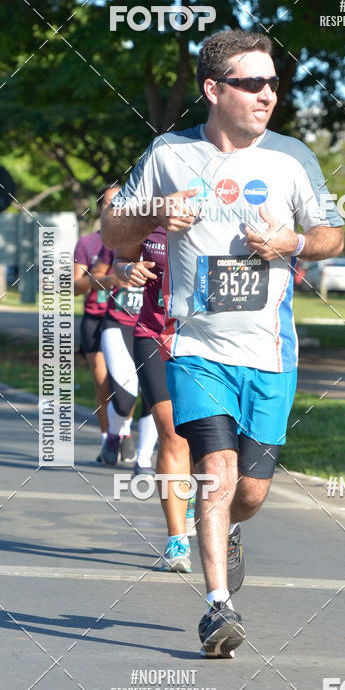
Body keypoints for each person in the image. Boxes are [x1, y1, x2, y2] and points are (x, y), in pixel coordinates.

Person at [102, 28, 344, 658]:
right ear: (213, 90)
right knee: (216, 470)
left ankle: (230, 531)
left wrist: (290, 243)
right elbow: (115, 235)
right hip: (196, 347)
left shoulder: (292, 158)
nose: (268, 94)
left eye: (272, 82)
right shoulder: (168, 154)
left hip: (271, 354)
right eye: (251, 83)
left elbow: (331, 236)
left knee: (251, 493)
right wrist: (156, 212)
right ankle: (218, 607)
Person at [113, 228, 194, 572]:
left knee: (205, 438)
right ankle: (177, 540)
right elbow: (121, 261)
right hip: (154, 333)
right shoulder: (151, 219)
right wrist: (126, 271)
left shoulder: (226, 212)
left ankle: (191, 498)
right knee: (172, 433)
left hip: (207, 340)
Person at [90, 221, 159, 472]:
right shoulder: (119, 242)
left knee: (156, 397)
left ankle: (143, 460)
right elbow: (94, 279)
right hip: (119, 324)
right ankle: (115, 434)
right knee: (125, 398)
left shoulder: (168, 244)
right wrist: (119, 275)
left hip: (157, 327)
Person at [73, 187, 119, 461]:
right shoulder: (87, 243)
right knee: (103, 383)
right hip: (96, 317)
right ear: (101, 207)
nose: (116, 208)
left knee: (126, 384)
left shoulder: (142, 239)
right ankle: (108, 441)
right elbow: (74, 286)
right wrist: (108, 280)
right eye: (111, 203)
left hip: (130, 320)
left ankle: (124, 433)